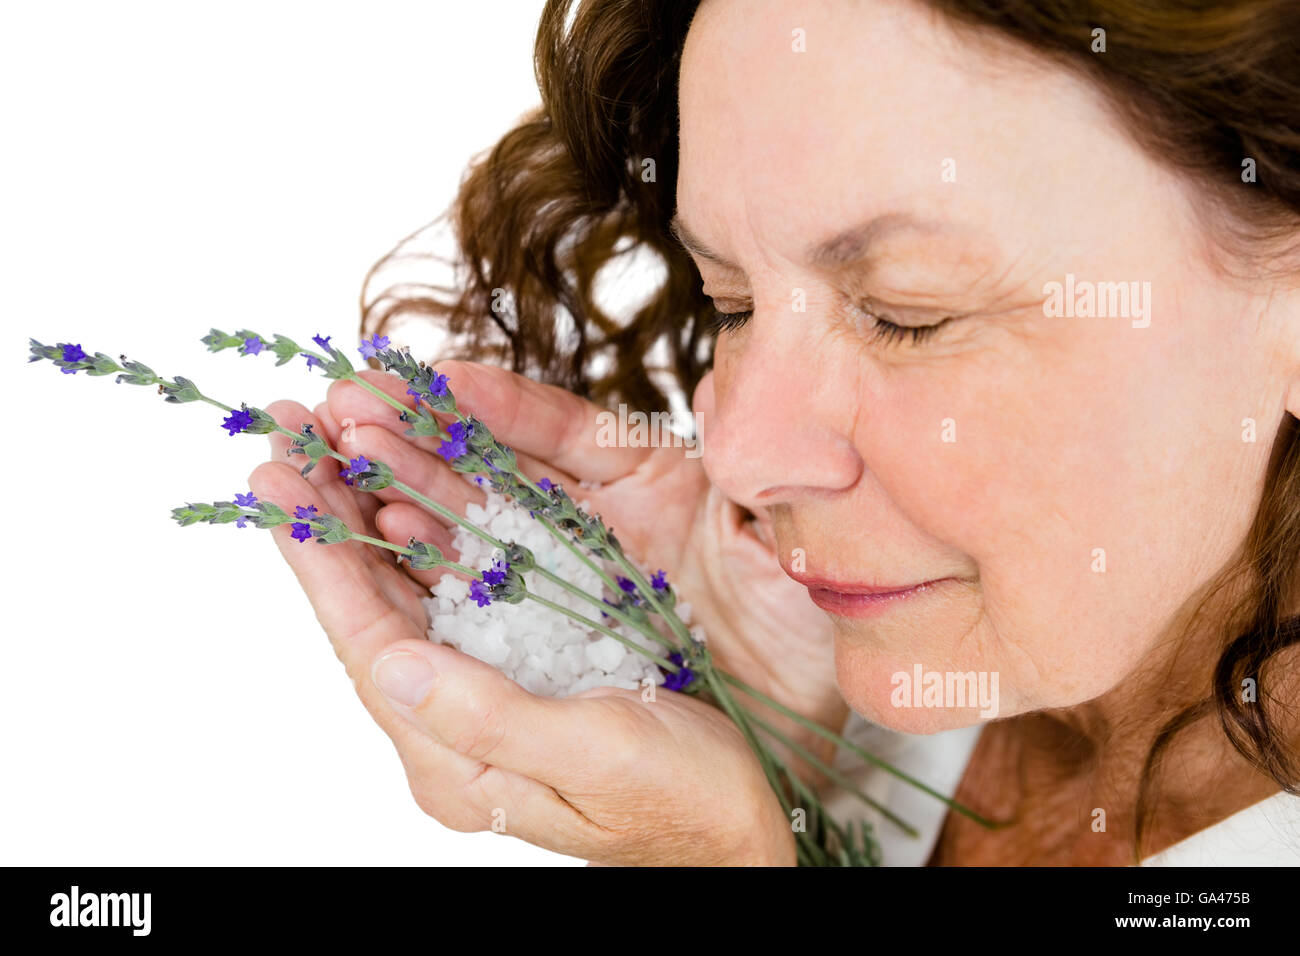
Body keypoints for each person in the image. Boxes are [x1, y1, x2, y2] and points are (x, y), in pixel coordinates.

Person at [248, 0, 1300, 865]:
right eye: (734, 300)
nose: (739, 450)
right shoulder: (933, 687)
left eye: (905, 312)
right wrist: (770, 736)